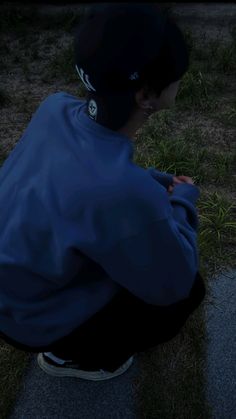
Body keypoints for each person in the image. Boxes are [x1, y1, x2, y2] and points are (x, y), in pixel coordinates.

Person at [0, 3, 206, 381]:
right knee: (189, 292)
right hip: (26, 321)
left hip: (12, 290)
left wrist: (151, 181)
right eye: (178, 77)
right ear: (147, 95)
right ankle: (75, 356)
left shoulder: (54, 109)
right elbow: (172, 282)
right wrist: (182, 202)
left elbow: (89, 178)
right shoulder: (122, 193)